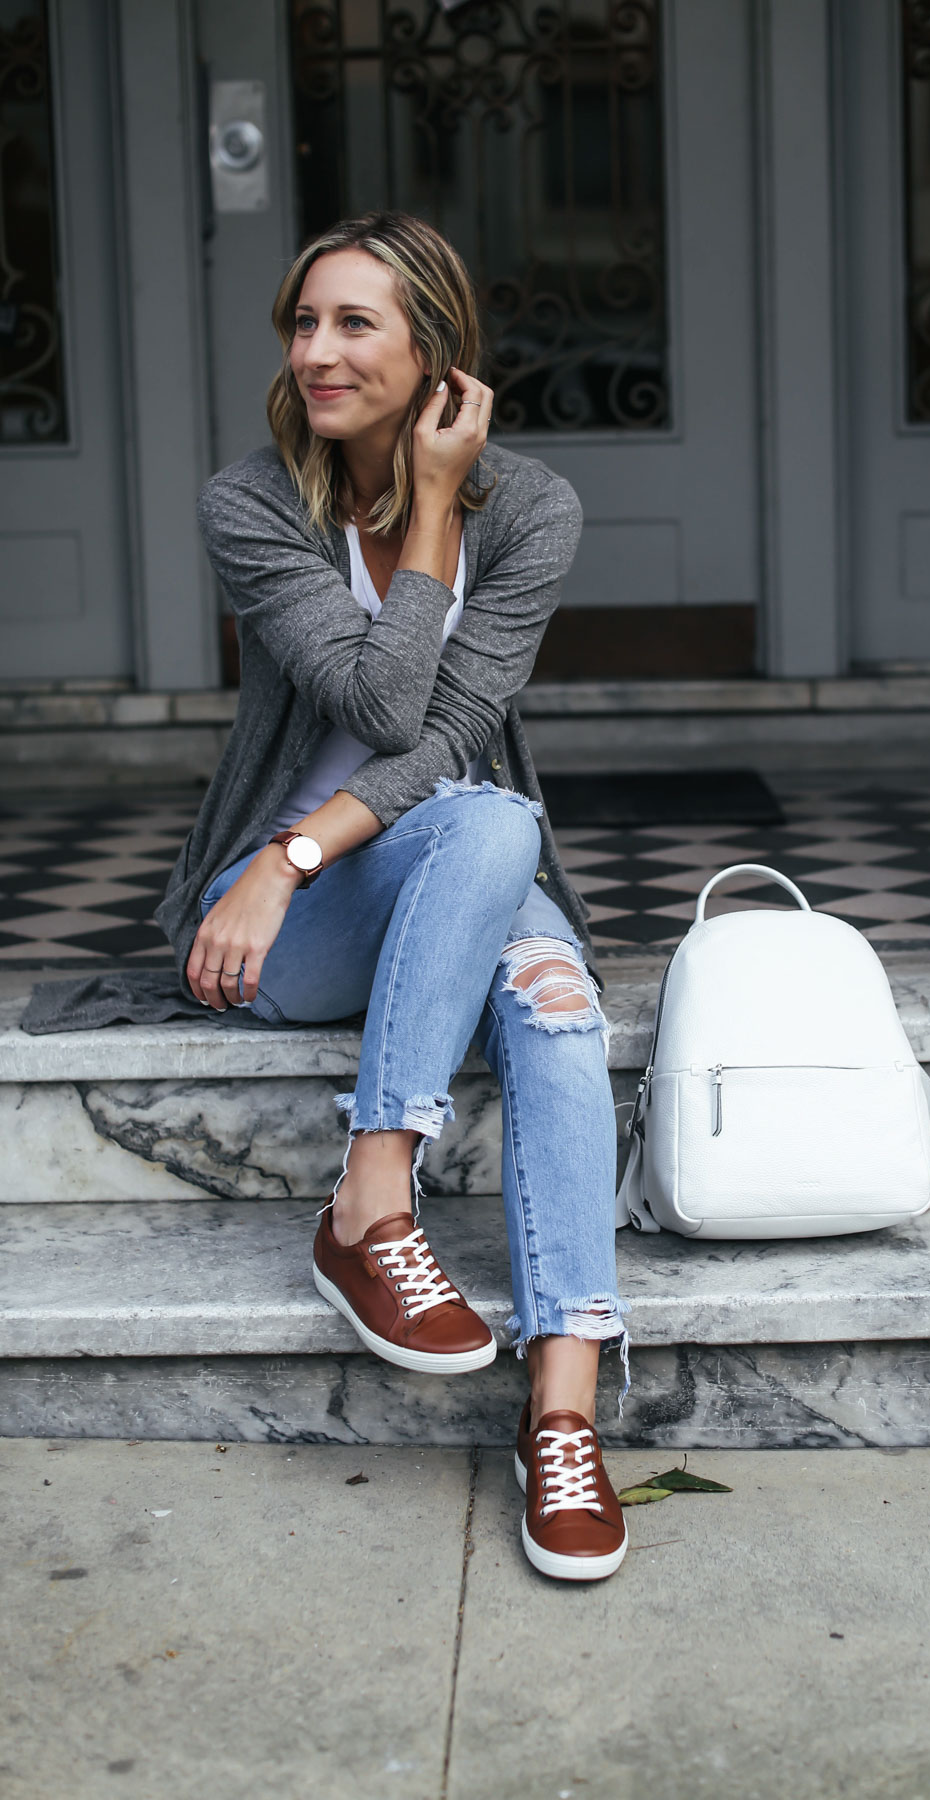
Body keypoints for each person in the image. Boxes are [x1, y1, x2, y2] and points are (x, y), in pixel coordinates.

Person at [156, 211, 628, 1582]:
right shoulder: (251, 503)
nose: (317, 351)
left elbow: (450, 725)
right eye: (304, 323)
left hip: (409, 869)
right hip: (294, 935)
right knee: (496, 822)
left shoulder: (532, 508)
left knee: (546, 994)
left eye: (355, 324)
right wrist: (287, 867)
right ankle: (373, 1209)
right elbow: (374, 694)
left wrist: (290, 850)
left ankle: (562, 1418)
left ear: (436, 351)